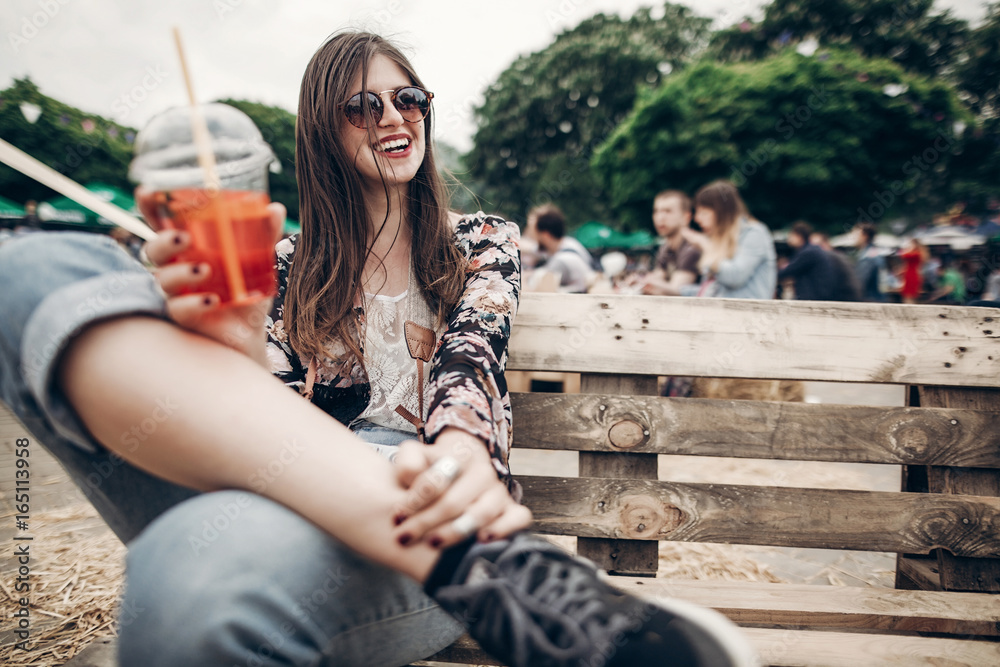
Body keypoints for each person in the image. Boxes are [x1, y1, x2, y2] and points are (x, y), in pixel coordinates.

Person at [0, 31, 756, 667]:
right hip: (280, 495)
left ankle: (469, 556)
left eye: (408, 99)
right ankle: (493, 573)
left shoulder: (480, 240)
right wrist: (229, 332)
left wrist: (460, 460)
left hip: (421, 505)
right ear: (322, 131)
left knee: (185, 571)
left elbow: (471, 364)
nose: (392, 118)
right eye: (361, 106)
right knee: (24, 272)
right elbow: (258, 424)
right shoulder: (289, 260)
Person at [675, 180, 776, 300]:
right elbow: (713, 291)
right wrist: (668, 291)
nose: (697, 219)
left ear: (721, 212)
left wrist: (707, 247)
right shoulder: (721, 242)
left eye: (703, 212)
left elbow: (735, 277)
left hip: (748, 316)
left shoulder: (754, 233)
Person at [639, 189, 701, 295]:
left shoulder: (693, 248)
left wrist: (646, 282)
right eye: (656, 211)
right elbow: (657, 279)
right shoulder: (665, 248)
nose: (660, 217)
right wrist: (641, 282)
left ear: (686, 217)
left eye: (667, 211)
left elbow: (677, 290)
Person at [530, 203, 596, 293]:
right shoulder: (572, 244)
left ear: (545, 235)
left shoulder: (561, 260)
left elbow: (536, 288)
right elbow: (534, 250)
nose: (533, 237)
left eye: (535, 233)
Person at [777, 221, 840, 301]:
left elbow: (788, 270)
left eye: (791, 235)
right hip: (819, 296)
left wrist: (772, 276)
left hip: (814, 297)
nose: (789, 239)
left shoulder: (808, 252)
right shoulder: (811, 250)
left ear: (799, 236)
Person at [852, 222, 885, 302]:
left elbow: (860, 283)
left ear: (865, 236)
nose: (853, 237)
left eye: (855, 234)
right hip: (875, 300)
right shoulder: (872, 253)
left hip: (870, 301)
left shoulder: (868, 257)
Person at [898, 238, 927, 304]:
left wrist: (907, 249)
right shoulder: (918, 253)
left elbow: (903, 255)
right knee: (909, 295)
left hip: (911, 275)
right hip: (911, 274)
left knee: (909, 295)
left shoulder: (916, 253)